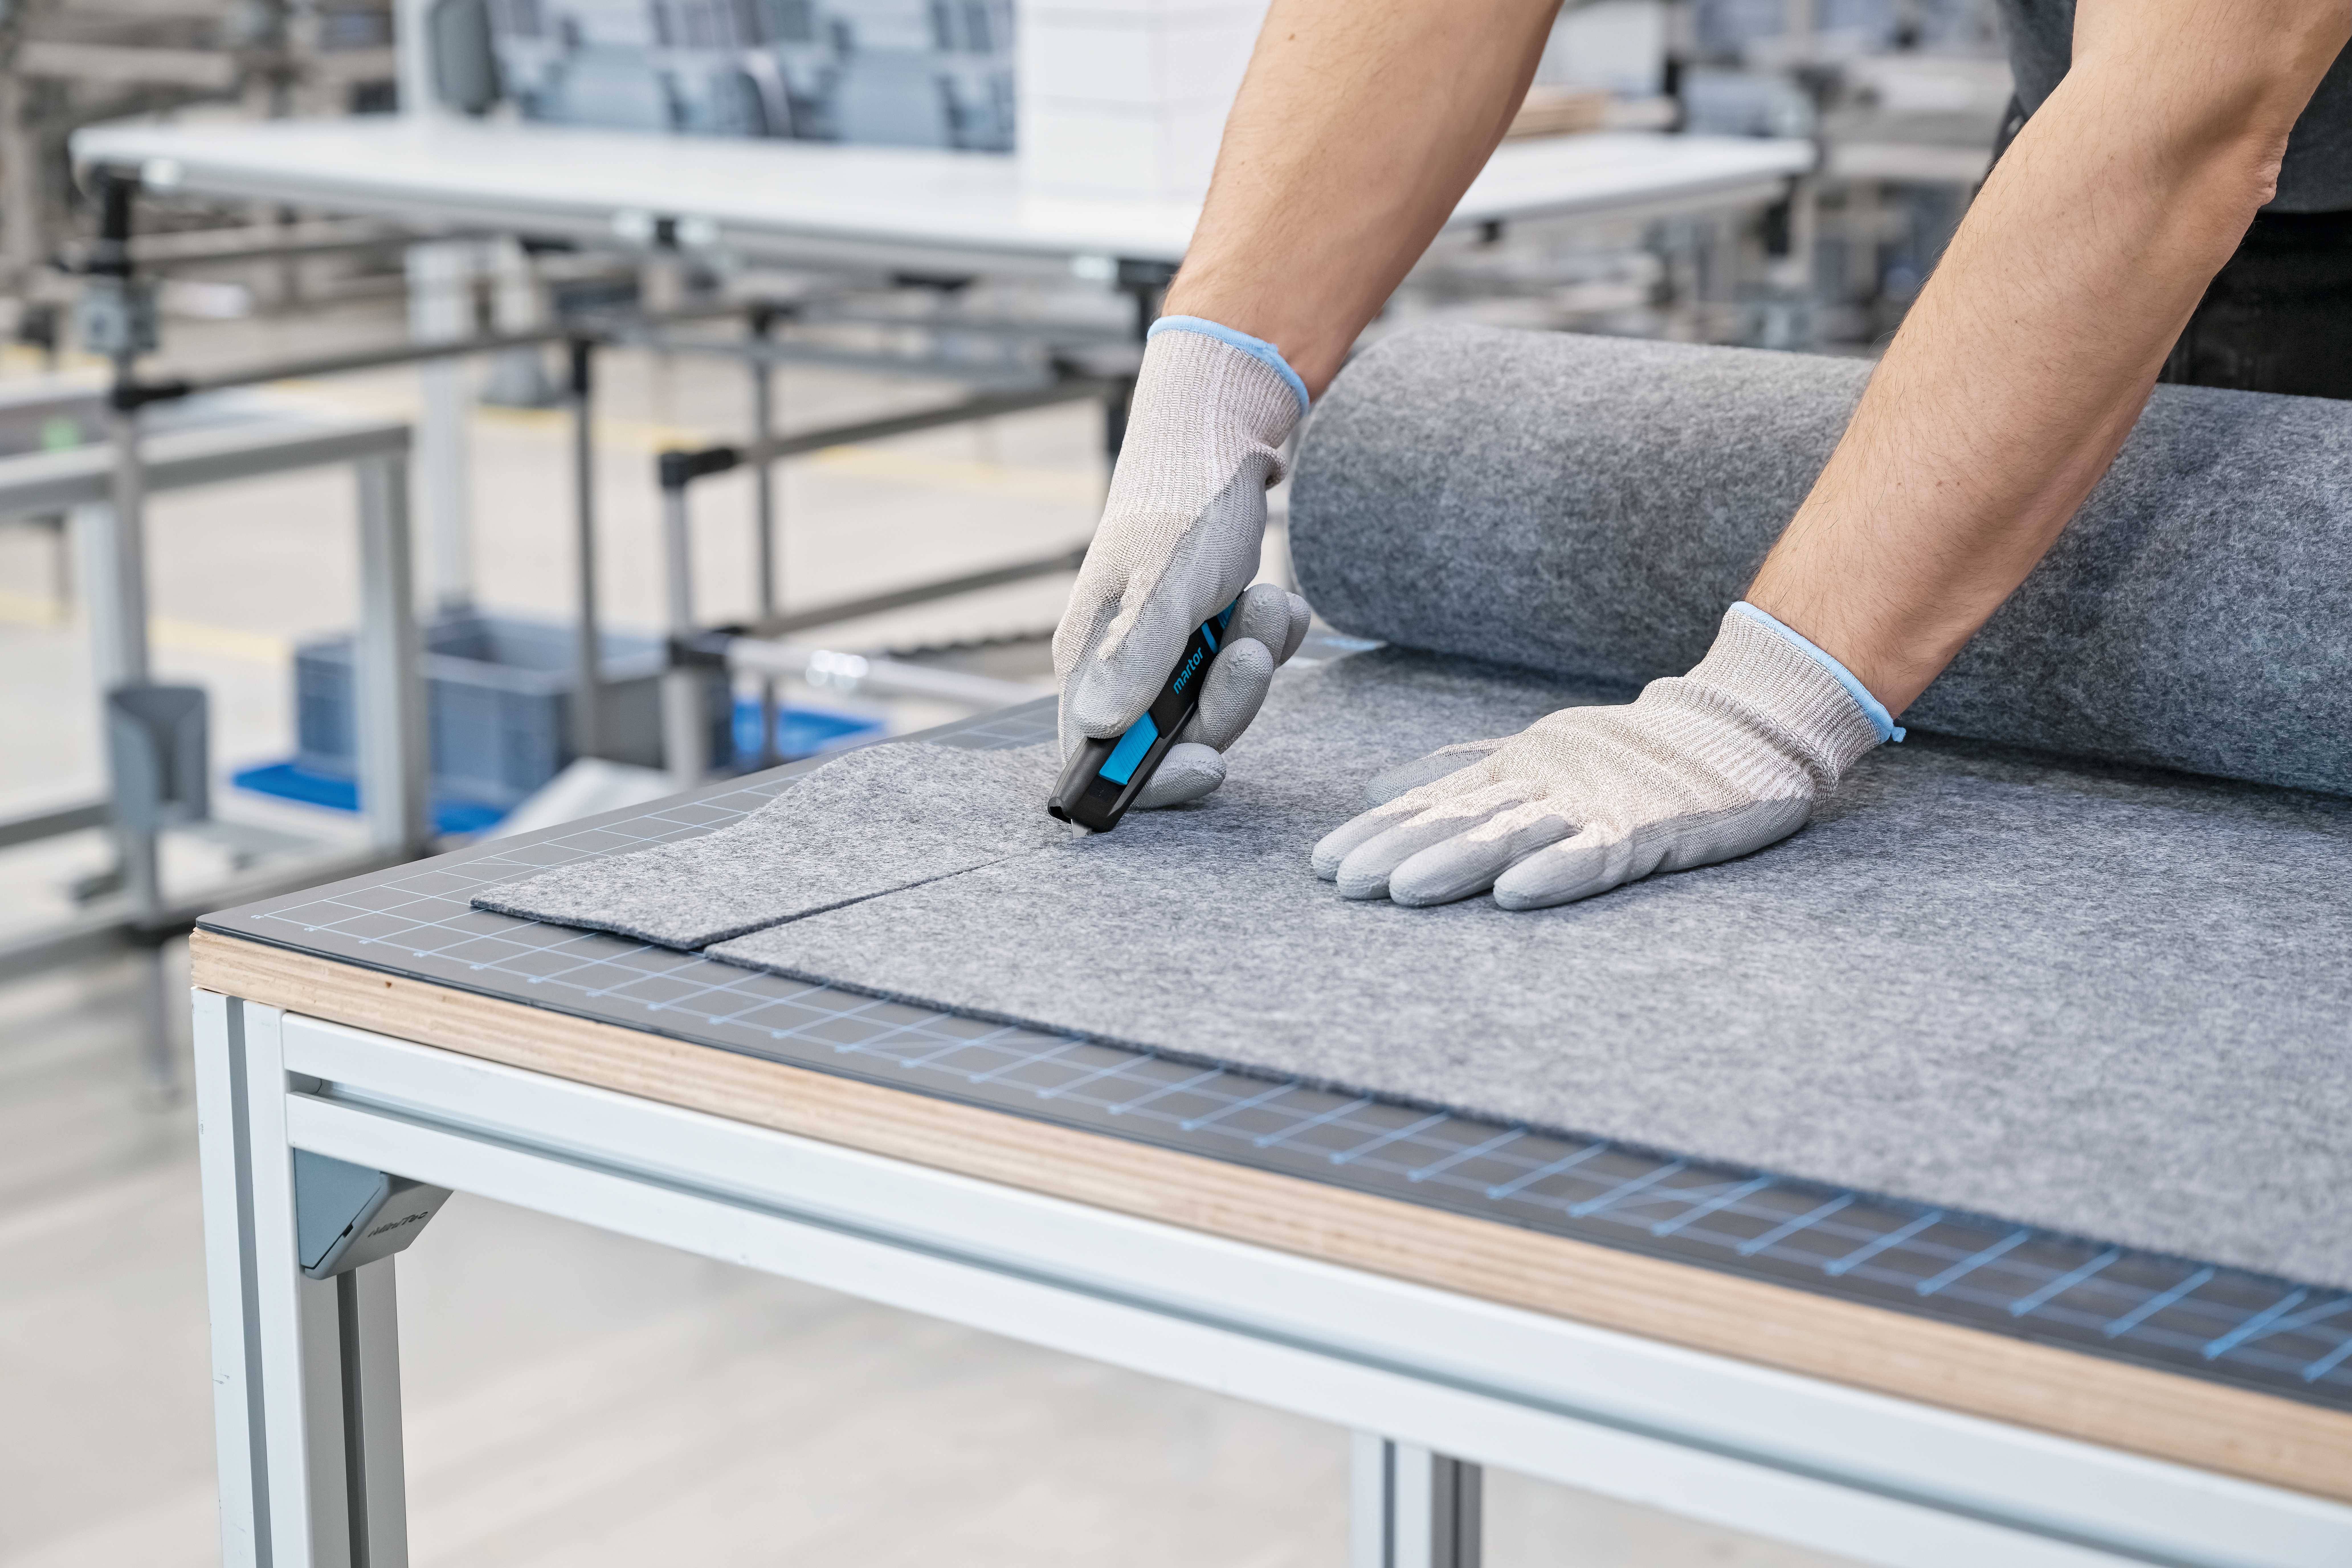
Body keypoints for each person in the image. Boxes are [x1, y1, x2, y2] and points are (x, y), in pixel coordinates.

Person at [1052, 0, 2351, 910]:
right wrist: (1209, 403)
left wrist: (1761, 706)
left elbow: (2198, 103)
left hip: (2181, 132)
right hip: (2107, 144)